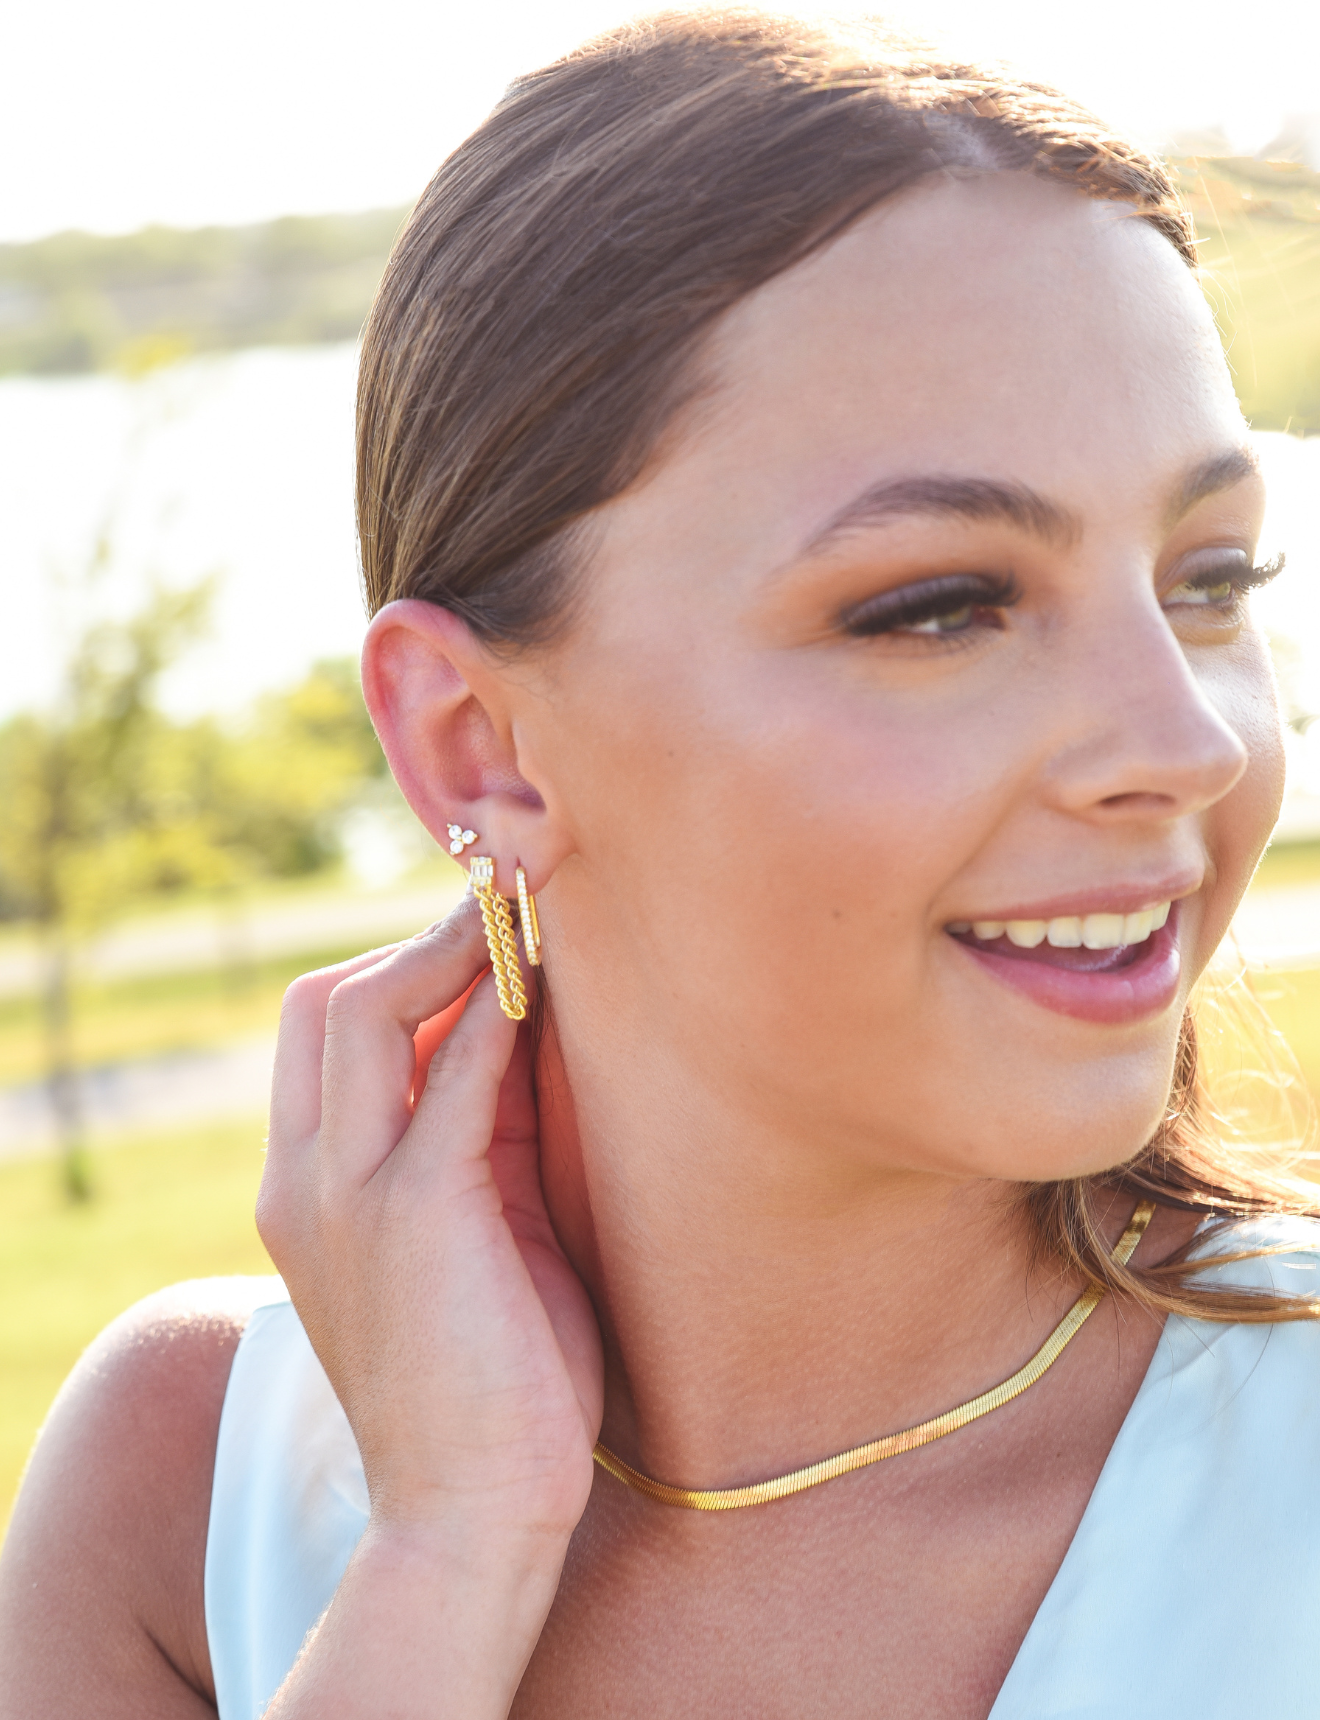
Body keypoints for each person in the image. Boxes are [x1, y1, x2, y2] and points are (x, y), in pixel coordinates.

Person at [3, 9, 1319, 1716]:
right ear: (479, 744)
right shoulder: (180, 1498)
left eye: (1208, 580)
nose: (1189, 742)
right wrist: (447, 1550)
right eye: (939, 606)